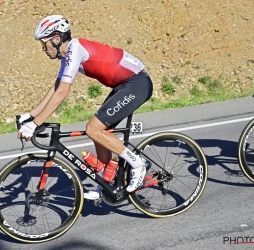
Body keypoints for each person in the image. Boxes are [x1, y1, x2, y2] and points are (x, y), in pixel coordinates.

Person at [17, 15, 153, 200]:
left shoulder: (75, 49)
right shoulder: (67, 55)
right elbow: (56, 87)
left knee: (93, 128)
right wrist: (31, 116)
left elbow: (62, 93)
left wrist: (34, 125)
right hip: (124, 85)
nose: (43, 49)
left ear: (56, 39)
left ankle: (138, 164)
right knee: (99, 132)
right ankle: (108, 182)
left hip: (136, 83)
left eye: (43, 43)